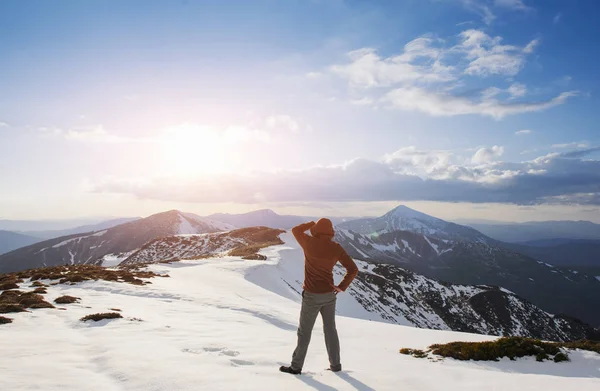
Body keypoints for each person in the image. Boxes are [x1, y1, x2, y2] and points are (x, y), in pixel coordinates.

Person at [279, 218, 359, 375]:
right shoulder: (336, 248)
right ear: (331, 232)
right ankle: (335, 365)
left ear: (316, 231)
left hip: (311, 296)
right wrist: (342, 286)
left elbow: (295, 230)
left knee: (305, 332)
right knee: (330, 330)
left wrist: (310, 223)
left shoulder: (308, 242)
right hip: (329, 295)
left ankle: (296, 367)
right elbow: (353, 269)